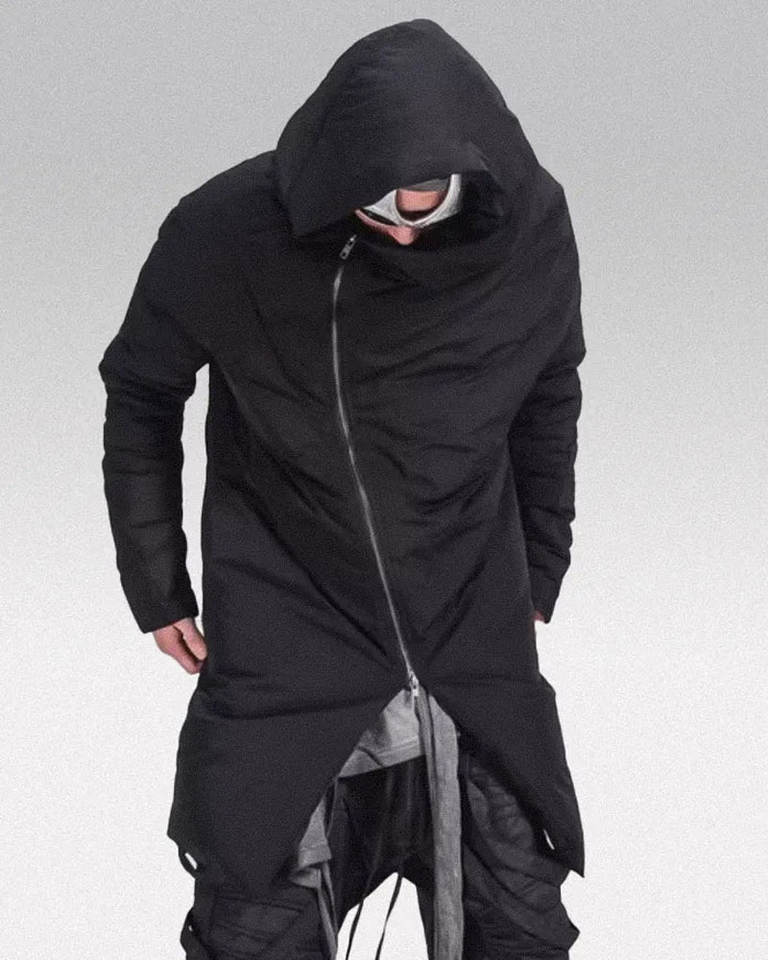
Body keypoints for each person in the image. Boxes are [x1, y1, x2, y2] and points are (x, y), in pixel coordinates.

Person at [97, 17, 586, 960]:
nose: (400, 226)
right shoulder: (226, 228)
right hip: (288, 615)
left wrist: (541, 564)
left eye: (421, 202)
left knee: (521, 916)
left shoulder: (529, 224)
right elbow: (142, 389)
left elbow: (548, 388)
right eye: (373, 206)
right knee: (255, 920)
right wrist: (155, 585)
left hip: (468, 617)